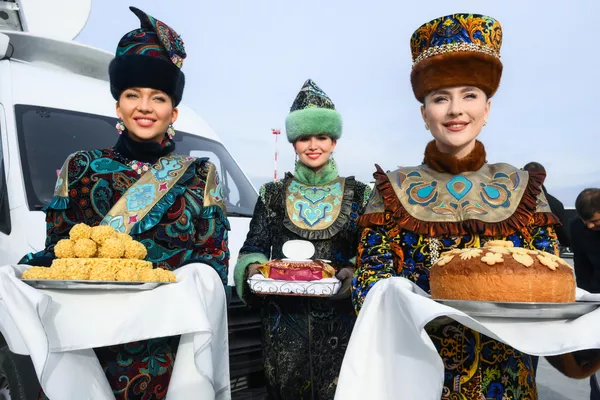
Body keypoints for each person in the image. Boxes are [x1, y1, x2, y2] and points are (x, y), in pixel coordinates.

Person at [351, 13, 600, 399]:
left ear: (487, 108)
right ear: (424, 114)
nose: (455, 110)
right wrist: (408, 299)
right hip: (419, 375)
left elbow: (551, 284)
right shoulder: (391, 191)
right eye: (440, 98)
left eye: (469, 94)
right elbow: (367, 289)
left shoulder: (522, 189)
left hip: (509, 380)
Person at [20, 7, 230, 399]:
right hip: (91, 338)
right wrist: (20, 274)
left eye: (158, 97)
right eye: (133, 95)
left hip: (168, 342)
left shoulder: (201, 175)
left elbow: (214, 263)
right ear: (118, 105)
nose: (145, 107)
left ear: (174, 112)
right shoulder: (81, 167)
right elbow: (61, 252)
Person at [234, 79, 371, 399]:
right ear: (293, 142)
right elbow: (253, 248)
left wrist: (354, 271)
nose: (313, 145)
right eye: (304, 137)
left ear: (333, 141)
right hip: (282, 330)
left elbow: (370, 251)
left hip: (341, 328)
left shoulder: (361, 194)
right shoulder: (272, 195)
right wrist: (253, 271)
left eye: (321, 136)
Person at [523, 161, 571, 248]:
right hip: (546, 257)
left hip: (518, 255)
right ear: (543, 179)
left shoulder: (510, 201)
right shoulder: (555, 204)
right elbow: (566, 238)